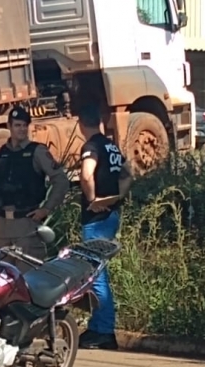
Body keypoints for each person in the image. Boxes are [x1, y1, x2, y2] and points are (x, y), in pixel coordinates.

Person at [0, 106, 68, 272]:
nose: (22, 129)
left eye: (25, 125)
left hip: (27, 227)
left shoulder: (37, 151)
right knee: (1, 280)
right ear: (9, 127)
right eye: (17, 125)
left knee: (27, 281)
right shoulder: (0, 154)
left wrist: (46, 209)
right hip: (1, 229)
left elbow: (60, 180)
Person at [77, 103, 133, 350]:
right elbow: (128, 174)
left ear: (81, 125)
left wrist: (93, 201)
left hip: (96, 220)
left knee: (96, 275)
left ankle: (104, 331)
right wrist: (116, 197)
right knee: (96, 273)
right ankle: (98, 327)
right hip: (111, 216)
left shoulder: (91, 147)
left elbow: (86, 174)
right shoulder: (112, 146)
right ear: (99, 122)